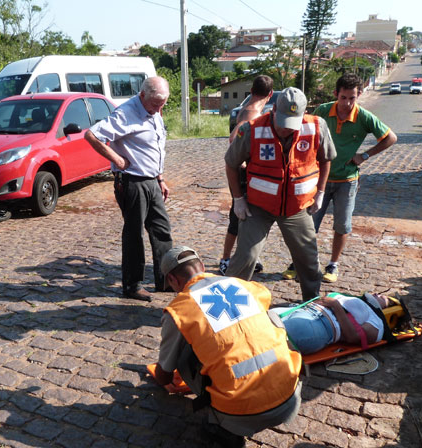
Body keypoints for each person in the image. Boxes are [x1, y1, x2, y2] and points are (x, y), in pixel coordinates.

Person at [154, 246, 302, 448]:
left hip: (240, 413)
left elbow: (164, 376)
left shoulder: (178, 311)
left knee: (181, 349)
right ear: (203, 267)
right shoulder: (240, 284)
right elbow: (263, 303)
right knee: (271, 316)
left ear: (172, 279)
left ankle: (222, 427)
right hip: (290, 398)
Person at [224, 87, 337, 300]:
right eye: (283, 121)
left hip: (297, 206)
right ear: (273, 109)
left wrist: (321, 192)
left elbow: (326, 159)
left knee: (309, 259)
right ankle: (228, 303)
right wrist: (238, 199)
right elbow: (231, 163)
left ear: (303, 114)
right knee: (246, 257)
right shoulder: (252, 129)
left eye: (292, 123)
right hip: (258, 206)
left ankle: (312, 302)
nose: (287, 129)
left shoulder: (316, 126)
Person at [283, 73, 397, 283]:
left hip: (348, 181)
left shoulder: (364, 117)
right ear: (336, 94)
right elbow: (307, 133)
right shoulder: (324, 111)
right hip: (320, 180)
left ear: (359, 95)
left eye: (352, 98)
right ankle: (297, 263)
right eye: (343, 97)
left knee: (342, 226)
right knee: (308, 224)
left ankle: (333, 265)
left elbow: (391, 138)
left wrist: (364, 155)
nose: (347, 103)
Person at [84, 76, 172, 302]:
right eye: (155, 103)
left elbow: (156, 146)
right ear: (142, 95)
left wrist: (160, 178)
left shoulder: (154, 111)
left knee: (162, 230)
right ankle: (132, 285)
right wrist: (116, 159)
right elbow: (91, 135)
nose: (158, 108)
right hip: (132, 181)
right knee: (134, 234)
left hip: (152, 180)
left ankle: (166, 279)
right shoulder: (125, 114)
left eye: (163, 103)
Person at [219, 75, 274, 276]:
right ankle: (225, 259)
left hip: (251, 176)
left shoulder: (252, 110)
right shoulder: (251, 114)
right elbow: (234, 140)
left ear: (251, 91)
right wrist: (243, 164)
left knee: (250, 219)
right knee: (237, 219)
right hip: (243, 177)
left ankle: (249, 255)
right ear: (270, 95)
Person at [271, 292, 391, 355]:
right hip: (303, 310)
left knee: (267, 337)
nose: (376, 294)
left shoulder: (377, 322)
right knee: (256, 321)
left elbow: (352, 337)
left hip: (320, 324)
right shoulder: (355, 299)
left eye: (382, 297)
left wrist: (336, 306)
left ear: (386, 309)